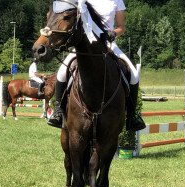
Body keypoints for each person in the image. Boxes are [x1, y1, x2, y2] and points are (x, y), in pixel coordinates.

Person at [47, 0, 146, 131]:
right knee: (61, 72)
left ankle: (132, 116)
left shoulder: (117, 1)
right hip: (85, 42)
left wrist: (114, 32)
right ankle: (58, 112)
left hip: (107, 42)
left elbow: (121, 27)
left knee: (133, 74)